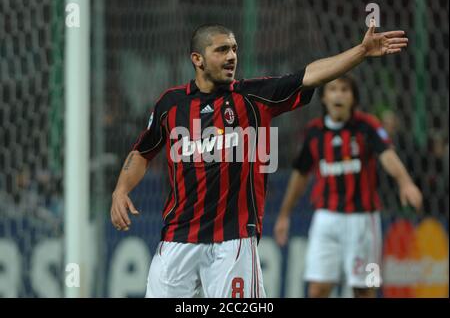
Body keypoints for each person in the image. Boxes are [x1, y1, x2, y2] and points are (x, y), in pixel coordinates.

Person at [110, 22, 409, 298]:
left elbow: (309, 75)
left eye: (235, 49)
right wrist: (121, 189)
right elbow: (143, 151)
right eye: (222, 49)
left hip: (233, 243)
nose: (232, 56)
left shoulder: (253, 97)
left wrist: (361, 51)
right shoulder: (170, 104)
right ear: (197, 59)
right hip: (177, 240)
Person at [273, 75, 422, 298]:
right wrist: (284, 215)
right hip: (325, 219)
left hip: (363, 222)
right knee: (317, 289)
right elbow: (300, 175)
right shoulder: (314, 132)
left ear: (353, 98)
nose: (339, 95)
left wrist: (405, 182)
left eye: (345, 90)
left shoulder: (367, 125)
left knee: (366, 287)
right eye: (333, 89)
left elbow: (387, 155)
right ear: (323, 98)